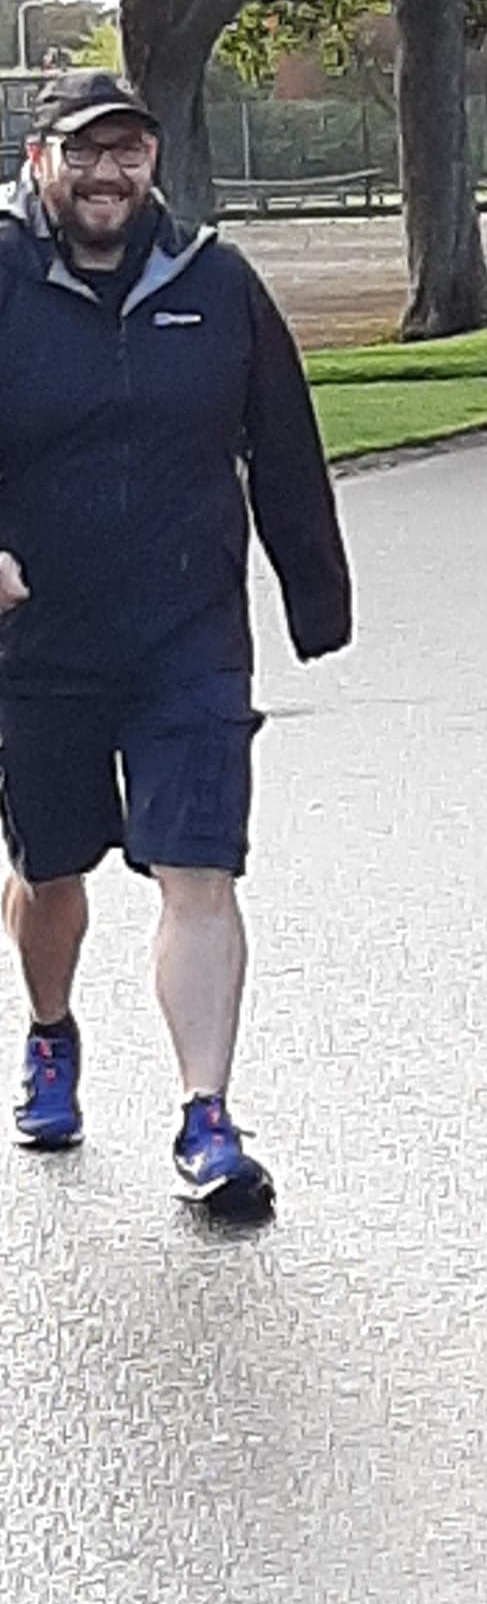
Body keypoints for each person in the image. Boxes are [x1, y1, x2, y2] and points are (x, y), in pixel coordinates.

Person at [0, 71, 353, 1213]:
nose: (107, 174)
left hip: (187, 636)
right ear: (42, 162)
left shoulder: (213, 280)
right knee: (49, 872)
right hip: (38, 638)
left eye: (129, 152)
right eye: (84, 153)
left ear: (154, 161)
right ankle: (51, 1032)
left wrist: (316, 598)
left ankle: (208, 1117)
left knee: (199, 868)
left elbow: (283, 442)